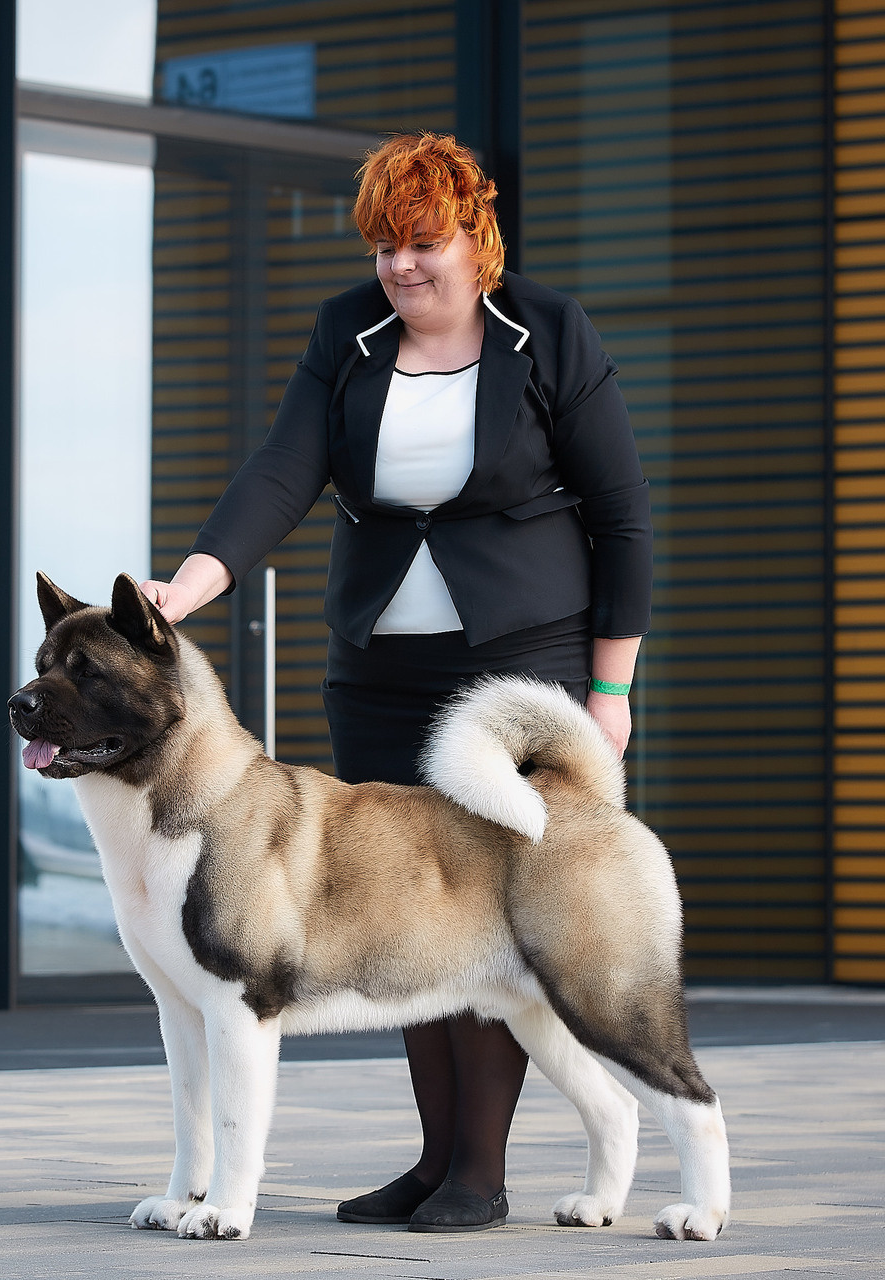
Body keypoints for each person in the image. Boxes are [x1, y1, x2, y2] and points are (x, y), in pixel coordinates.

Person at [139, 132, 652, 1233]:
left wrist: (608, 694)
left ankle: (478, 1168)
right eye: (382, 246)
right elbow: (282, 467)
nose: (400, 268)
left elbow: (620, 518)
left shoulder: (547, 333)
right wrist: (188, 584)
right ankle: (433, 1157)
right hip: (377, 670)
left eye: (421, 243)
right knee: (398, 915)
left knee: (491, 914)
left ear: (475, 236)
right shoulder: (347, 332)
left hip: (520, 662)